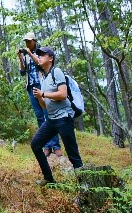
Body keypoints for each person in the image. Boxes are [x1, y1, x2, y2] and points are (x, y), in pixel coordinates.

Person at [31, 46, 83, 185]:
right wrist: (39, 98)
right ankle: (49, 178)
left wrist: (43, 94)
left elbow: (63, 94)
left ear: (51, 58)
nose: (40, 56)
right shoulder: (44, 78)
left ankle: (85, 185)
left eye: (43, 54)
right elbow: (45, 106)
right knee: (36, 145)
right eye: (39, 55)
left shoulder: (57, 72)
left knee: (73, 154)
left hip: (64, 118)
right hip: (52, 119)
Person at [17, 32, 62, 157]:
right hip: (31, 87)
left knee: (49, 114)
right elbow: (22, 72)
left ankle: (56, 146)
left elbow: (40, 64)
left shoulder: (41, 53)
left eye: (29, 41)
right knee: (39, 117)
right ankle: (47, 146)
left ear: (35, 41)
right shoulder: (26, 55)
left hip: (43, 85)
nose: (27, 44)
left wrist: (30, 54)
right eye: (26, 42)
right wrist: (21, 57)